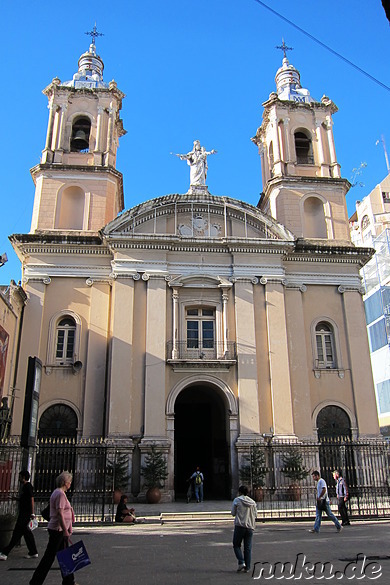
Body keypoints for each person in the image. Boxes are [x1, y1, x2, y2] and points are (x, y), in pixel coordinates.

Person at [29, 471, 77, 585]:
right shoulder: (60, 494)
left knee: (64, 556)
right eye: (69, 482)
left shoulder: (57, 492)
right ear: (65, 482)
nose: (70, 484)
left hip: (58, 529)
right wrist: (65, 530)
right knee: (49, 557)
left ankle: (69, 581)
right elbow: (60, 513)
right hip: (58, 530)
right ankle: (35, 581)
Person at [0, 470, 38, 561]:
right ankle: (33, 551)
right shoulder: (25, 487)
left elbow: (31, 499)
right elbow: (24, 499)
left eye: (20, 477)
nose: (19, 478)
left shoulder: (27, 486)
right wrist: (15, 498)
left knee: (17, 534)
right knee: (27, 534)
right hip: (24, 514)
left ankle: (5, 553)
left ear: (24, 477)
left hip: (25, 515)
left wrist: (32, 513)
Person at [231, 485, 257, 573]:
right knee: (248, 547)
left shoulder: (237, 500)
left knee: (236, 544)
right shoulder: (252, 502)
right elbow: (255, 515)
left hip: (240, 525)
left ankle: (241, 562)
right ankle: (248, 567)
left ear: (239, 492)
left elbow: (233, 513)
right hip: (250, 526)